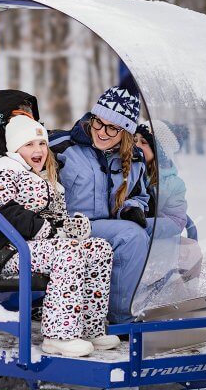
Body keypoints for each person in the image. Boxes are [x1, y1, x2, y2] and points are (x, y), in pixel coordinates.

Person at [0, 115, 118, 357]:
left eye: (42, 144)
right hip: (9, 250)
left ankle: (89, 328)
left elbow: (55, 217)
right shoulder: (1, 170)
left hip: (37, 248)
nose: (38, 150)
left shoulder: (43, 177)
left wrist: (71, 227)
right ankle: (58, 336)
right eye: (30, 144)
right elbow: (4, 212)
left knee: (99, 248)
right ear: (15, 147)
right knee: (68, 252)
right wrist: (47, 231)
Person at [51, 80, 151, 325]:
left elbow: (140, 196)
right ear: (92, 117)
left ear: (126, 132)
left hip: (109, 226)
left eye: (112, 128)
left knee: (164, 229)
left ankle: (161, 304)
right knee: (131, 237)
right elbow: (19, 161)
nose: (102, 132)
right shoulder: (63, 145)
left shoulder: (134, 160)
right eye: (99, 122)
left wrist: (133, 208)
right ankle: (121, 318)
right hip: (71, 228)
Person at [135, 121, 202, 289]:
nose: (136, 145)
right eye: (134, 140)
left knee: (191, 250)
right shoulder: (126, 171)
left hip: (158, 237)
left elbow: (177, 220)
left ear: (160, 152)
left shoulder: (173, 184)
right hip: (132, 240)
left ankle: (187, 297)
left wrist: (144, 224)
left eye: (143, 142)